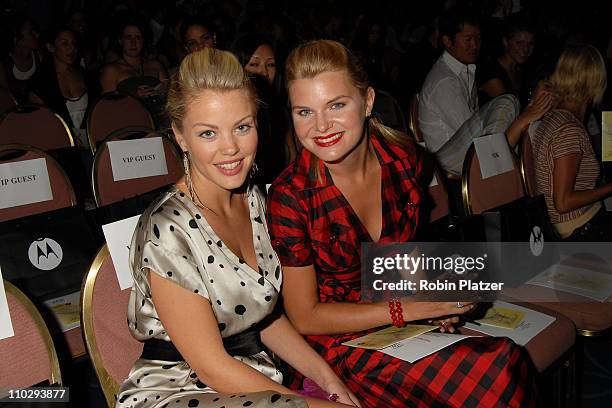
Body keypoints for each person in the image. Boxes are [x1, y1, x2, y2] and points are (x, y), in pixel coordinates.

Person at [267, 39, 538, 407]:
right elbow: (304, 316)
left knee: (503, 362)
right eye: (304, 112)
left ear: (367, 102)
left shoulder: (403, 158)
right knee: (497, 369)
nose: (321, 126)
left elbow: (401, 255)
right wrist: (410, 309)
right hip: (338, 341)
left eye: (336, 105)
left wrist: (431, 299)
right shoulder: (292, 196)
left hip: (395, 318)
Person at [116, 48, 359, 408]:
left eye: (242, 127)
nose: (230, 148)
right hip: (179, 391)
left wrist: (329, 381)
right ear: (181, 137)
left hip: (253, 381)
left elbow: (260, 315)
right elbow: (212, 368)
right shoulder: (168, 229)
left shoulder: (256, 200)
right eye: (208, 133)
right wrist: (309, 404)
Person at [418, 7, 553, 176]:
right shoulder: (444, 80)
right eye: (468, 39)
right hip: (446, 164)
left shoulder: (465, 70)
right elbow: (473, 135)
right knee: (507, 102)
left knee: (514, 112)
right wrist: (526, 113)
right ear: (447, 41)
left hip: (465, 154)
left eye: (478, 38)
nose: (475, 45)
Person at [533, 45, 612, 240]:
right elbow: (563, 202)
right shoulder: (569, 129)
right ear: (596, 81)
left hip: (575, 222)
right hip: (578, 226)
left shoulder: (553, 117)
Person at [30, 27, 91, 138]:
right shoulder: (40, 83)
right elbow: (39, 124)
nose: (71, 48)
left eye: (74, 43)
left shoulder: (86, 77)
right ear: (50, 47)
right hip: (59, 144)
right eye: (65, 44)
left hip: (90, 143)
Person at [100, 19, 168, 97]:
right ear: (120, 40)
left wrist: (161, 91)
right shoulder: (111, 70)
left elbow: (170, 94)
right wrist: (132, 96)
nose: (133, 43)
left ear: (143, 40)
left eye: (138, 38)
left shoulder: (155, 65)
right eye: (128, 38)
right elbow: (106, 104)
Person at [478, 15, 536, 106]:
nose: (525, 49)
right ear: (505, 42)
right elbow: (509, 109)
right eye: (519, 43)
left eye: (530, 44)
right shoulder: (490, 70)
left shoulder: (522, 71)